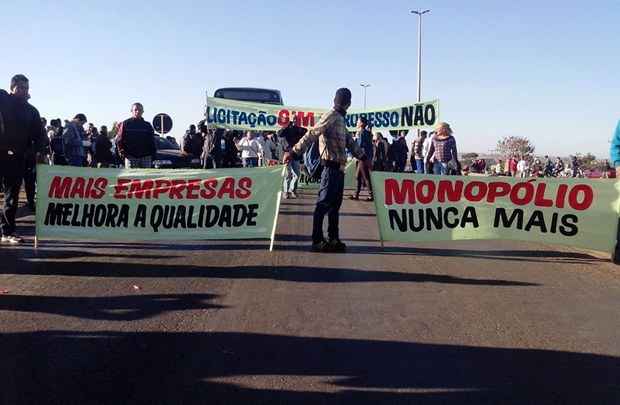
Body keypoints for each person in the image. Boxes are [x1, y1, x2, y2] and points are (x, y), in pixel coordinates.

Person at [283, 87, 366, 253]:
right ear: (348, 103)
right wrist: (293, 152)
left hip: (339, 170)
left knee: (335, 206)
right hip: (329, 168)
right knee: (323, 204)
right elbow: (312, 134)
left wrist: (363, 157)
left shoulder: (341, 120)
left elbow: (350, 141)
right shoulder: (330, 116)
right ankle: (317, 240)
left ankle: (333, 238)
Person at [0, 74, 45, 244]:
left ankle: (7, 231)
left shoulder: (32, 111)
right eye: (19, 87)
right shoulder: (3, 99)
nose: (23, 91)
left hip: (18, 157)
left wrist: (39, 153)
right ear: (12, 88)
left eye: (26, 88)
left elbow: (39, 136)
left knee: (12, 197)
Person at [117, 102, 156, 168]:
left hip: (146, 157)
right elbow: (119, 140)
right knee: (131, 177)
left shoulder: (147, 125)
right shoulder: (125, 124)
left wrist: (152, 154)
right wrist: (123, 153)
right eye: (136, 110)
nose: (138, 111)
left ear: (143, 111)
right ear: (131, 111)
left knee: (145, 178)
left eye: (140, 110)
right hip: (131, 157)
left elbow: (152, 141)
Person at [278, 115, 307, 199]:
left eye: (298, 120)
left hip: (296, 155)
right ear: (292, 120)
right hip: (287, 154)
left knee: (297, 175)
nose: (296, 121)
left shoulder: (300, 129)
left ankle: (292, 190)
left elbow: (307, 132)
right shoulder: (287, 128)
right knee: (288, 175)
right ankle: (286, 192)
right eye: (295, 120)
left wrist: (301, 127)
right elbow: (279, 134)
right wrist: (287, 126)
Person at [351, 117, 373, 201]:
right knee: (358, 176)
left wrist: (355, 139)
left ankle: (371, 195)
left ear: (362, 124)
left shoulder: (361, 133)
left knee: (365, 176)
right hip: (364, 157)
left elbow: (360, 145)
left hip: (362, 157)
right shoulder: (366, 132)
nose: (356, 122)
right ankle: (356, 194)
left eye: (358, 121)